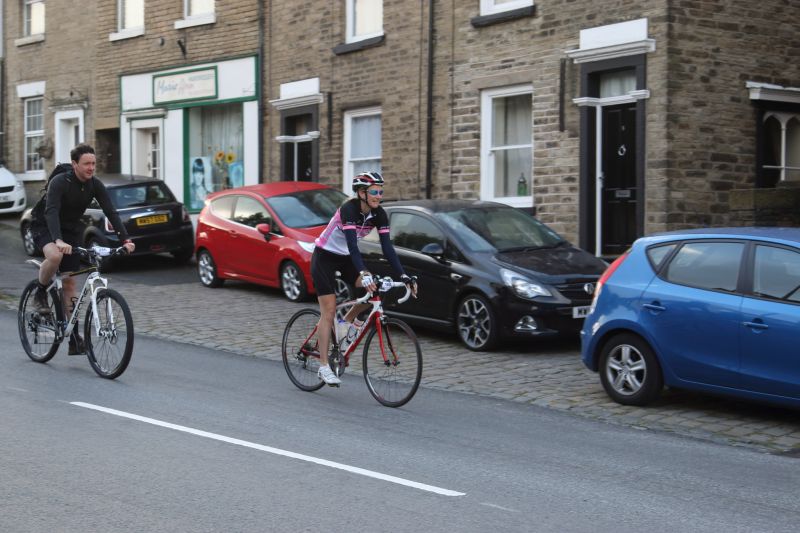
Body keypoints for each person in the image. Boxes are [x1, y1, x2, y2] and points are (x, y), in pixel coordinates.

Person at [311, 171, 416, 386]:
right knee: (328, 311)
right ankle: (323, 366)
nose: (379, 196)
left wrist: (404, 276)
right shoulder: (349, 210)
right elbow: (352, 245)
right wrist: (363, 273)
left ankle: (347, 321)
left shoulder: (379, 214)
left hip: (347, 258)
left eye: (381, 191)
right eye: (374, 192)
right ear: (361, 193)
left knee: (375, 289)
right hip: (325, 257)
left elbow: (387, 248)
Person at [30, 143, 135, 354]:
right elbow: (51, 211)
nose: (91, 168)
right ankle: (40, 292)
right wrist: (58, 240)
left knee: (69, 283)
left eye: (93, 164)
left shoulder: (95, 184)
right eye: (86, 163)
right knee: (54, 257)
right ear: (74, 164)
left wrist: (125, 240)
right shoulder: (61, 182)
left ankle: (73, 337)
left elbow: (111, 212)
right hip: (45, 224)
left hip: (70, 230)